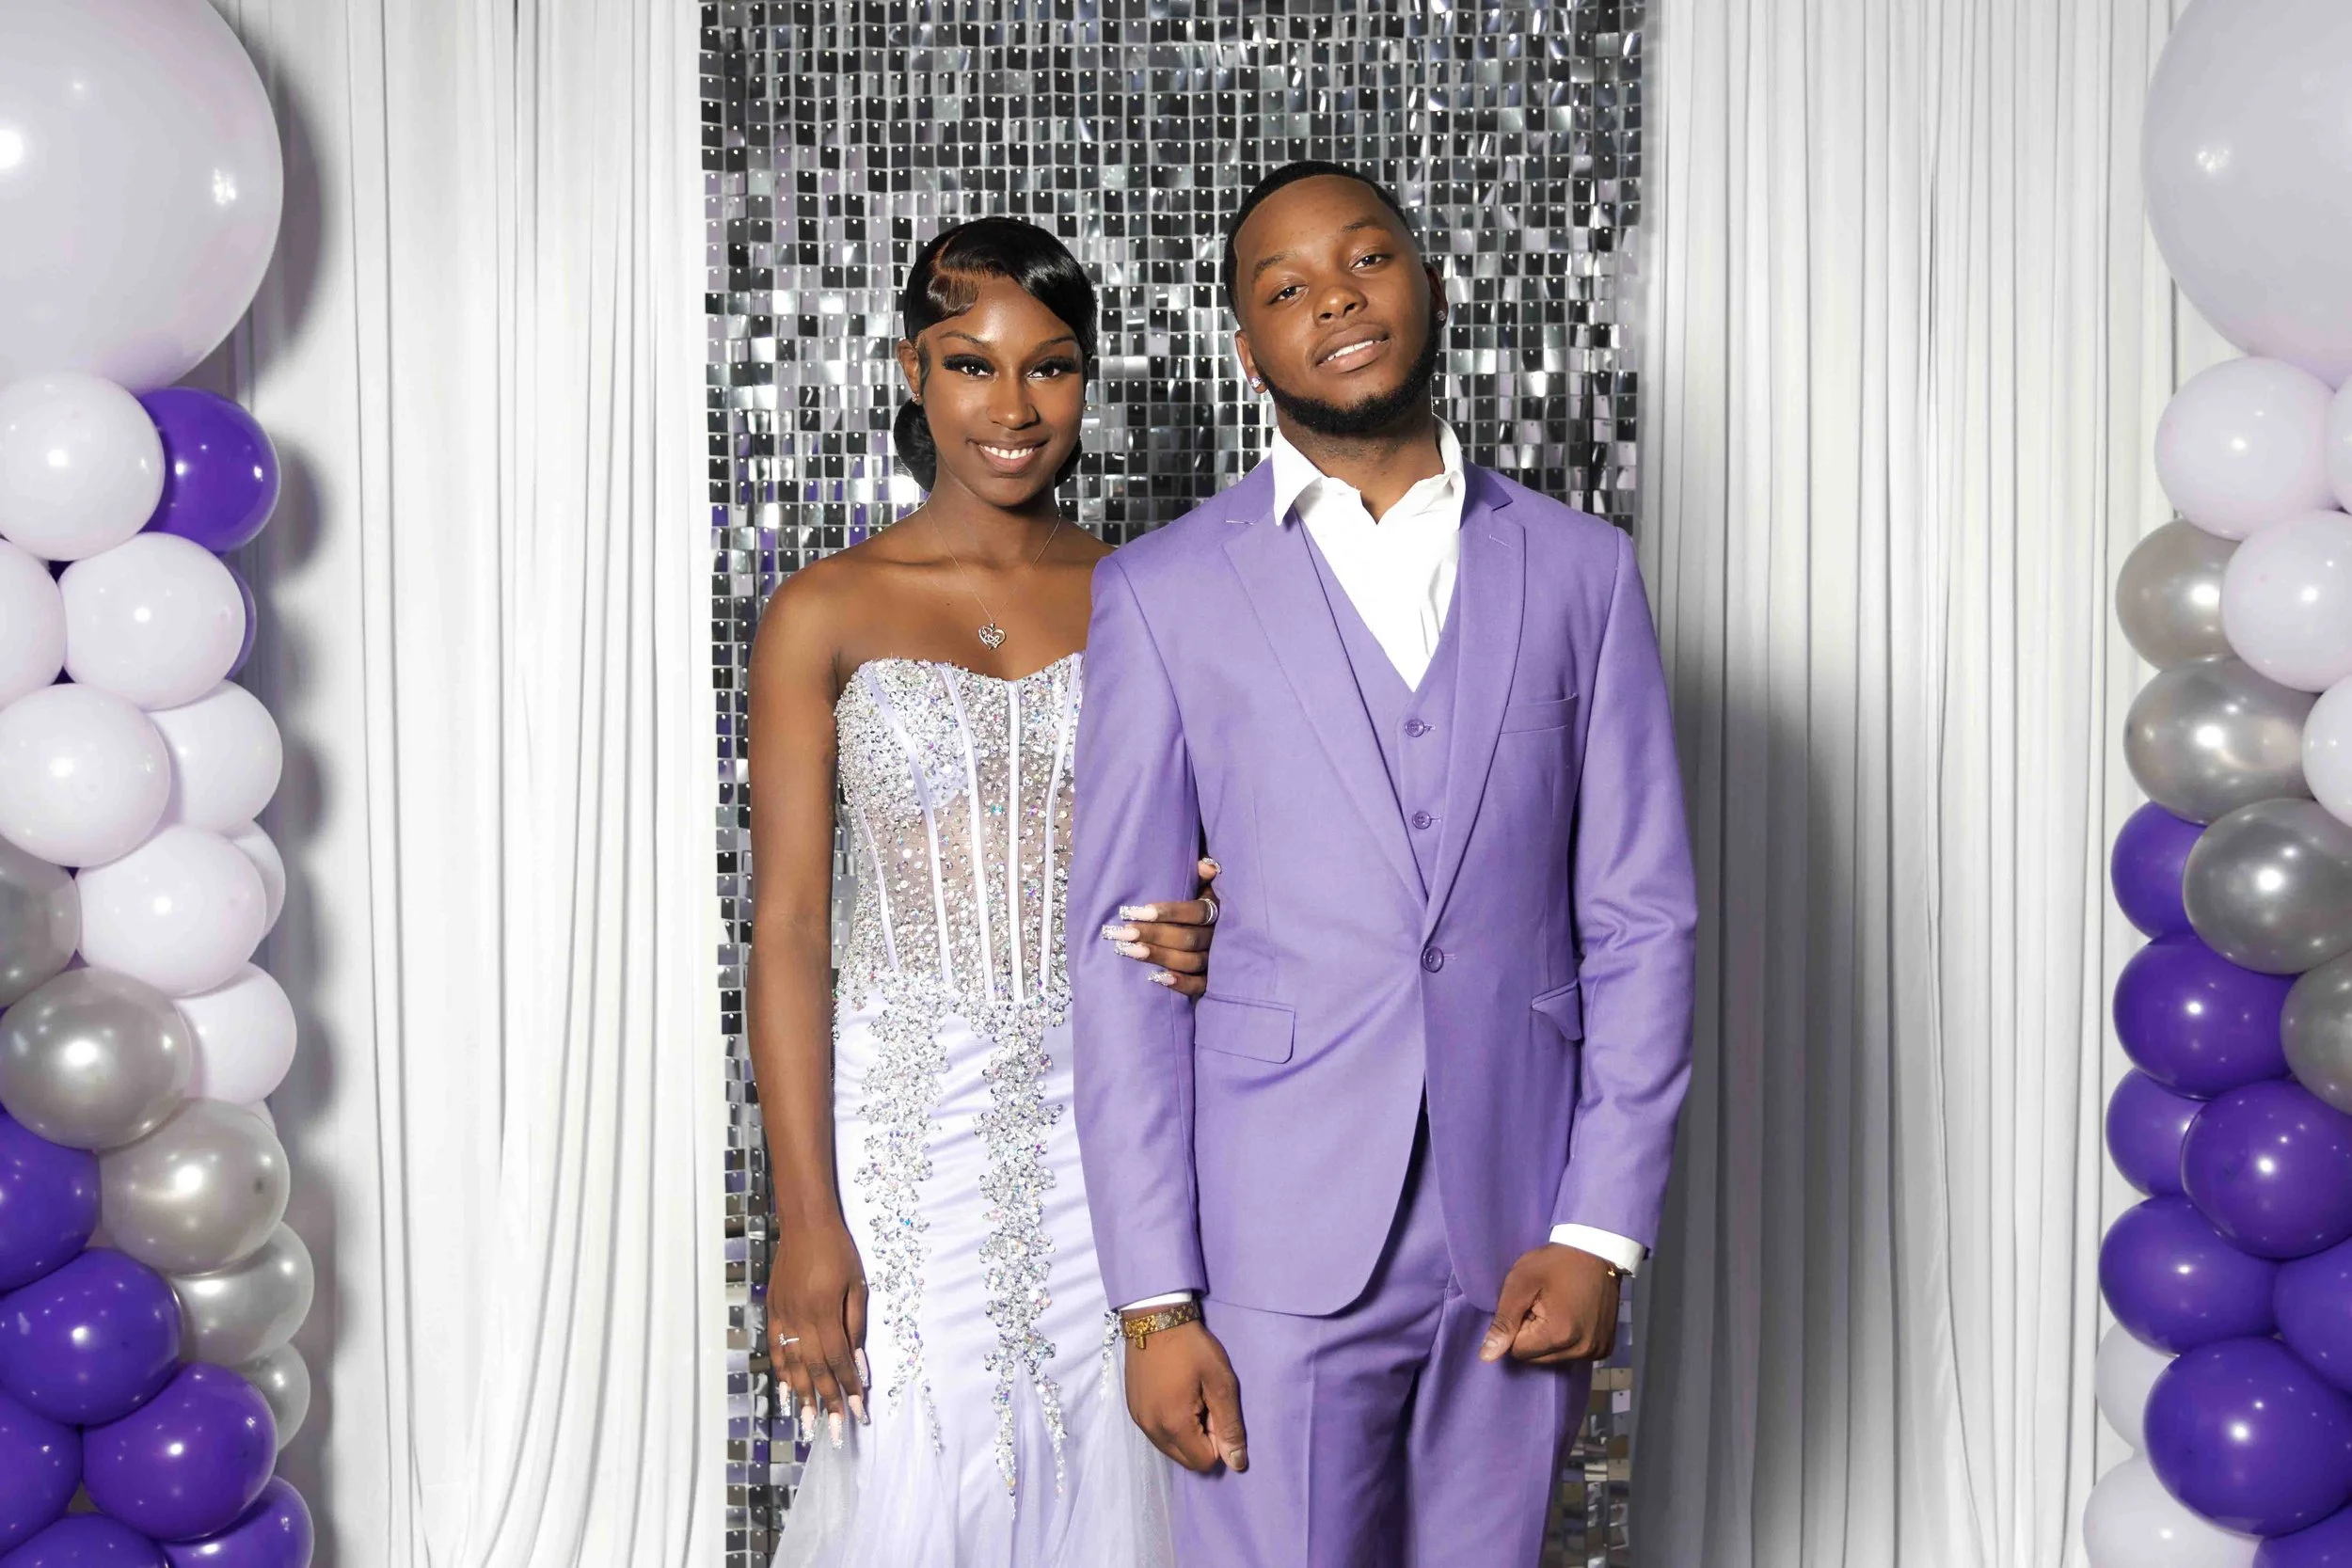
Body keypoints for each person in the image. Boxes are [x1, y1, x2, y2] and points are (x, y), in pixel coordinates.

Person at [1068, 161, 1699, 1567]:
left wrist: (1601, 1227)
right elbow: (1123, 963)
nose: (1335, 300)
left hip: (1521, 1223)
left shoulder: (1582, 571)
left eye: (1366, 260)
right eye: (1286, 287)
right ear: (1248, 350)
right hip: (1267, 1242)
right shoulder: (1162, 592)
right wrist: (1155, 1303)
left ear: (1430, 282)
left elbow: (1642, 918)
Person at [748, 216, 1212, 1567]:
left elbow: (1215, 853)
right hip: (905, 1127)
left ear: (1086, 382)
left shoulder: (1149, 596)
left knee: (1110, 1446)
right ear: (913, 369)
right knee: (924, 1452)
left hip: (1110, 1110)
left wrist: (1210, 924)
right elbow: (789, 928)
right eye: (971, 364)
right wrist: (807, 1217)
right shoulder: (824, 609)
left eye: (1050, 367)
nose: (1013, 408)